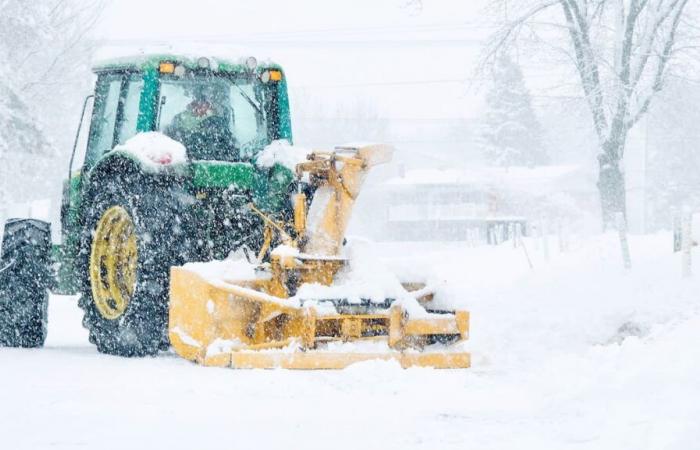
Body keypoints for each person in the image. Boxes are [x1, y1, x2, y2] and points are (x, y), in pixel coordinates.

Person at [165, 83, 237, 160]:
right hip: (185, 160)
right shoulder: (179, 119)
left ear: (209, 105)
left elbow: (227, 145)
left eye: (204, 102)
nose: (200, 105)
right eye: (197, 101)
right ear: (192, 103)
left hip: (215, 159)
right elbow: (171, 139)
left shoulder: (217, 121)